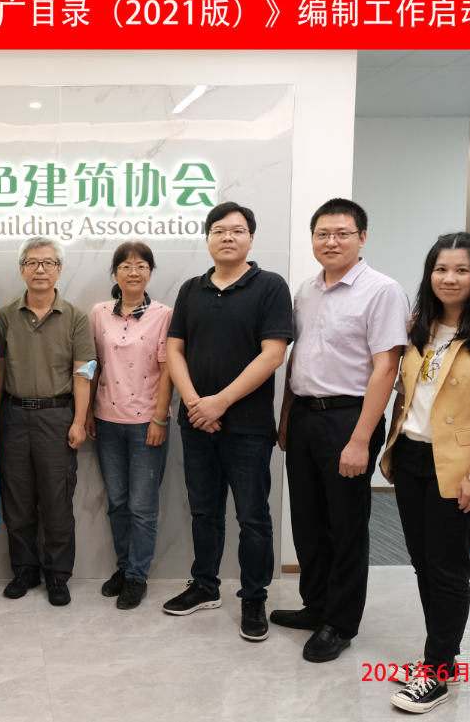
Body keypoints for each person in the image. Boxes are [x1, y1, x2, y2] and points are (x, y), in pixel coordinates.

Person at [381, 233, 470, 714]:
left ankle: (438, 671)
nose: (450, 278)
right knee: (423, 562)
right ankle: (438, 656)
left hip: (461, 465)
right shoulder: (418, 325)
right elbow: (406, 393)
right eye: (441, 269)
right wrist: (392, 449)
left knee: (447, 568)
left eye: (462, 270)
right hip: (411, 456)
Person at [272, 198, 410, 662]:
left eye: (342, 233)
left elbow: (386, 368)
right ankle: (315, 606)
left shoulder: (382, 290)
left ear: (362, 237)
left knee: (346, 525)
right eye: (322, 234)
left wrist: (360, 439)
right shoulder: (307, 290)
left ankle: (340, 623)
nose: (331, 241)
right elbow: (298, 356)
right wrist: (287, 415)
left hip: (349, 418)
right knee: (308, 519)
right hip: (305, 415)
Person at [163, 202, 293, 641]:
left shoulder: (270, 286)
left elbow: (273, 355)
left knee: (253, 516)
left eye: (237, 230)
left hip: (248, 426)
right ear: (207, 238)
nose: (227, 237)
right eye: (219, 230)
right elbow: (174, 350)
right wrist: (195, 403)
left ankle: (254, 597)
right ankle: (205, 585)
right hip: (196, 423)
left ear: (251, 239)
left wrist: (220, 402)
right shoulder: (191, 289)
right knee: (204, 511)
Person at [0, 235, 96, 607]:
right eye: (32, 263)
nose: (40, 269)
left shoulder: (76, 318)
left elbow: (84, 372)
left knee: (57, 501)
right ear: (22, 269)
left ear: (59, 270)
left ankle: (57, 574)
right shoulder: (5, 316)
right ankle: (25, 570)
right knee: (17, 500)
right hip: (14, 416)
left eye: (48, 263)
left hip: (58, 417)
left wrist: (79, 421)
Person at [86, 242, 174, 610]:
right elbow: (92, 364)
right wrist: (87, 412)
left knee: (142, 506)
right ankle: (124, 568)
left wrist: (160, 417)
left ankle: (138, 576)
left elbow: (169, 370)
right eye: (125, 266)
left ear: (150, 272)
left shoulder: (164, 315)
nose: (133, 272)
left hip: (146, 423)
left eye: (141, 266)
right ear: (115, 273)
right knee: (118, 503)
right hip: (106, 420)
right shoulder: (99, 313)